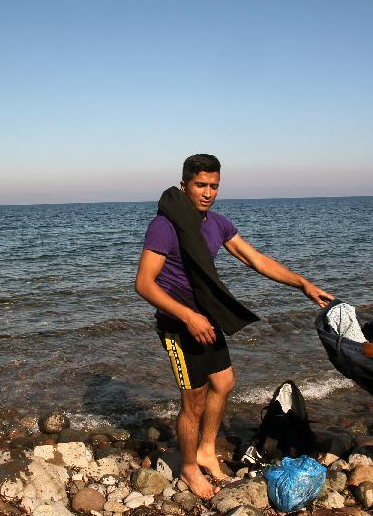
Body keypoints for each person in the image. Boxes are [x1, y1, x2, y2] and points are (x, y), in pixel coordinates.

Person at [134, 154, 334, 499]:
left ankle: (207, 450)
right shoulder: (164, 227)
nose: (208, 192)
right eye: (201, 185)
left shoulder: (218, 224)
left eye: (214, 186)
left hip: (207, 319)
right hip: (178, 325)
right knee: (192, 401)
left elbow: (255, 259)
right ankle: (188, 469)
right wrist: (188, 316)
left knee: (224, 383)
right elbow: (144, 283)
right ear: (184, 185)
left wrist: (302, 283)